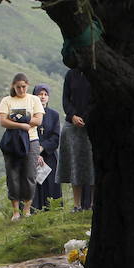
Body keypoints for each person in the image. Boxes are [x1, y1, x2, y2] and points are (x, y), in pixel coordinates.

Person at [0, 72, 44, 221]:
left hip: (31, 140)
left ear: (27, 86)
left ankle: (27, 209)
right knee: (13, 175)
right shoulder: (7, 100)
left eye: (24, 87)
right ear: (13, 87)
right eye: (18, 87)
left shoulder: (34, 99)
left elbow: (38, 120)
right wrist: (20, 125)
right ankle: (15, 210)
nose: (21, 90)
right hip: (12, 142)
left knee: (29, 175)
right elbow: (3, 121)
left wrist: (22, 123)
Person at [59, 64, 95, 212]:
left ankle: (93, 204)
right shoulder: (70, 74)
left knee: (92, 164)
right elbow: (65, 98)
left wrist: (86, 116)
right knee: (75, 164)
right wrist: (73, 115)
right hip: (72, 124)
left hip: (91, 125)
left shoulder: (95, 72)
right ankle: (76, 205)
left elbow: (96, 99)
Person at [32, 85, 62, 211]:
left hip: (50, 157)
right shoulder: (30, 114)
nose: (43, 97)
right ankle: (34, 212)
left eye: (45, 94)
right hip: (33, 155)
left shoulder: (54, 115)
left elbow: (56, 137)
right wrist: (35, 150)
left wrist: (43, 147)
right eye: (40, 94)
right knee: (35, 186)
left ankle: (53, 213)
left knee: (51, 186)